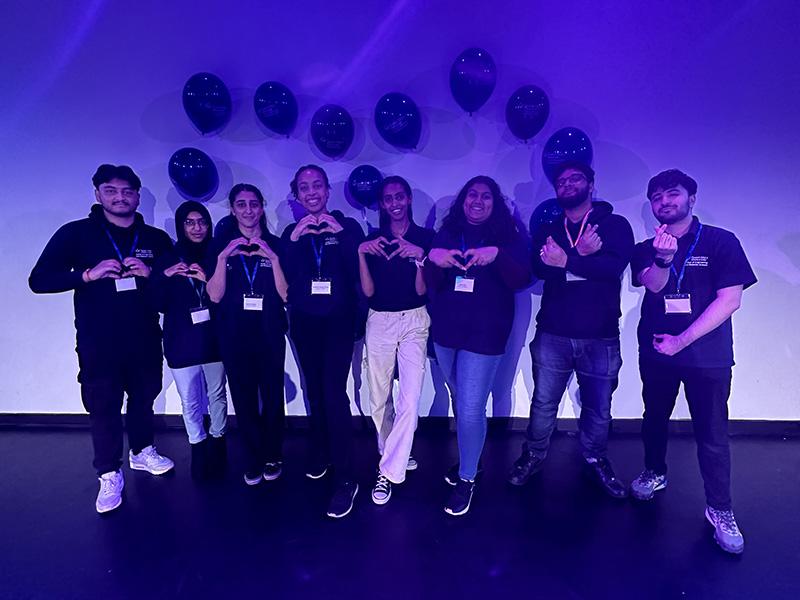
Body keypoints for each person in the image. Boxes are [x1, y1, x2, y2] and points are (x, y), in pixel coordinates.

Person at [29, 164, 174, 514]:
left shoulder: (155, 239)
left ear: (137, 196)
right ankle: (109, 472)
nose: (120, 197)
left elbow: (171, 293)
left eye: (127, 191)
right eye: (111, 190)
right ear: (98, 194)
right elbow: (39, 280)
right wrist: (87, 274)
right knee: (103, 405)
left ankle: (141, 452)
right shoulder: (77, 234)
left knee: (143, 399)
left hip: (144, 336)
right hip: (99, 340)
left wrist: (152, 274)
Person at [629, 169, 756, 554]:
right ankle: (655, 472)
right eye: (657, 197)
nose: (664, 201)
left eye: (672, 193)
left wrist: (682, 341)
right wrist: (664, 259)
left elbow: (730, 300)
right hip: (656, 350)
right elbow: (653, 285)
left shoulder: (721, 242)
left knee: (713, 434)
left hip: (706, 355)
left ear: (692, 198)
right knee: (654, 418)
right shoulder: (645, 246)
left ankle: (720, 509)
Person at [507, 161, 634, 499]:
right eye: (561, 181)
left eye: (575, 179)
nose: (567, 184)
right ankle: (533, 455)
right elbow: (539, 269)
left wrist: (566, 260)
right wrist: (581, 255)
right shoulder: (549, 228)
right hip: (553, 333)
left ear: (591, 185)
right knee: (544, 402)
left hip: (600, 335)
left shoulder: (615, 225)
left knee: (598, 406)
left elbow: (613, 268)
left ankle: (595, 457)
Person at [424, 175, 530, 516]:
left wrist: (497, 254)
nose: (478, 201)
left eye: (486, 196)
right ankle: (475, 459)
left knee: (471, 407)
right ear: (463, 200)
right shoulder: (449, 232)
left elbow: (520, 280)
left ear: (494, 203)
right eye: (472, 195)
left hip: (485, 333)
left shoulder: (508, 237)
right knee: (462, 400)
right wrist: (431, 260)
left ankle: (466, 478)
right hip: (446, 330)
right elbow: (432, 282)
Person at [281, 165, 365, 518]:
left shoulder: (348, 227)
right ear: (297, 195)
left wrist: (341, 234)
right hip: (303, 320)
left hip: (338, 321)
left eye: (318, 185)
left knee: (333, 392)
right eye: (304, 187)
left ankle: (347, 478)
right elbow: (283, 273)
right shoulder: (290, 232)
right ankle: (320, 450)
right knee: (313, 390)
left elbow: (358, 269)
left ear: (328, 191)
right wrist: (297, 239)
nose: (312, 192)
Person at [358, 176, 434, 505]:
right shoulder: (373, 240)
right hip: (380, 320)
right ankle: (394, 451)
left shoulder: (425, 238)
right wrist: (361, 252)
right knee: (378, 397)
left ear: (408, 200)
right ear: (382, 205)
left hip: (415, 319)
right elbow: (369, 292)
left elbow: (422, 291)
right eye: (388, 198)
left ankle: (387, 471)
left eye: (399, 196)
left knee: (410, 397)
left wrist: (420, 257)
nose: (394, 202)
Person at [206, 184, 288, 486]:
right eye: (241, 204)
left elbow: (286, 295)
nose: (248, 210)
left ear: (262, 207)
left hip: (269, 331)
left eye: (254, 204)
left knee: (271, 395)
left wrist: (275, 260)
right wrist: (222, 259)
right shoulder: (218, 246)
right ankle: (254, 455)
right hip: (233, 334)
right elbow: (214, 296)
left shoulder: (277, 245)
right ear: (232, 209)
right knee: (243, 397)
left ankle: (273, 454)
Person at [150, 201, 228, 480]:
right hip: (181, 340)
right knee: (190, 400)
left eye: (202, 222)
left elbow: (227, 298)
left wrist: (208, 279)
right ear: (181, 226)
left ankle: (219, 443)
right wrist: (165, 276)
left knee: (217, 394)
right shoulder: (168, 259)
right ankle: (197, 445)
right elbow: (156, 303)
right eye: (190, 222)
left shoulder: (218, 255)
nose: (197, 228)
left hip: (214, 337)